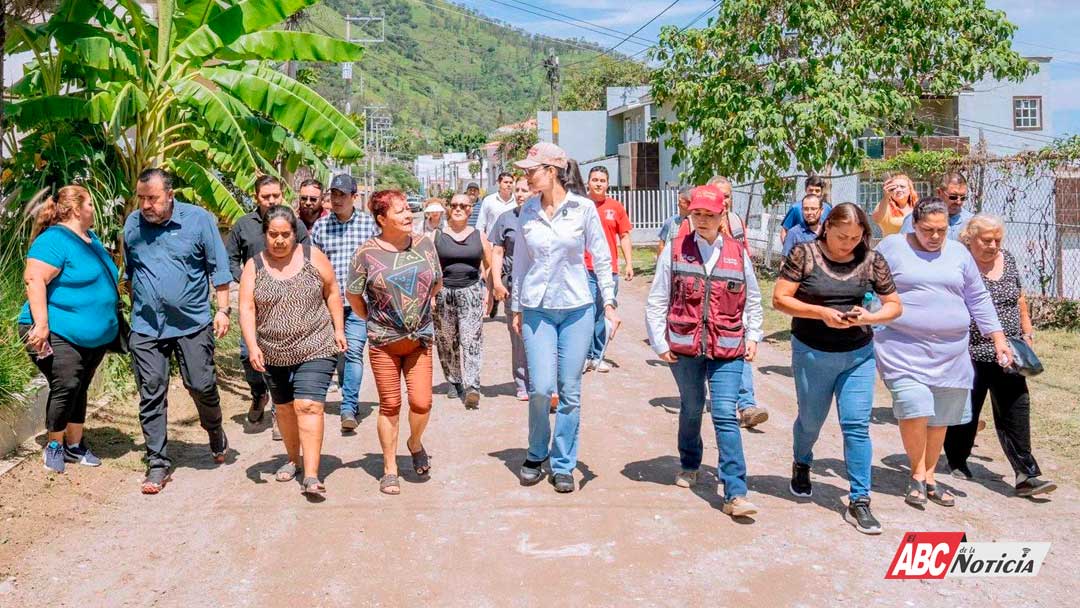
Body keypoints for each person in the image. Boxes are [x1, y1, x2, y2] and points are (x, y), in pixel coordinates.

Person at [772, 203, 903, 534]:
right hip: (812, 352)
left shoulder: (871, 259)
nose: (849, 243)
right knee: (811, 421)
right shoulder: (804, 253)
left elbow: (894, 306)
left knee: (856, 425)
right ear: (827, 227)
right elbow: (780, 299)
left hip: (858, 353)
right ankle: (802, 461)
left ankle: (860, 500)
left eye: (856, 237)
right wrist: (822, 313)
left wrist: (871, 317)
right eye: (843, 236)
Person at [874, 197, 1011, 509]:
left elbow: (978, 298)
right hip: (901, 347)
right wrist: (870, 321)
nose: (935, 236)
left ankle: (930, 476)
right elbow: (872, 286)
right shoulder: (893, 247)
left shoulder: (959, 253)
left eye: (941, 230)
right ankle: (917, 474)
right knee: (914, 406)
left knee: (939, 418)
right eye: (927, 230)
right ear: (914, 225)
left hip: (951, 353)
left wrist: (998, 338)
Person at [645, 184, 763, 519]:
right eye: (697, 213)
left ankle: (735, 491)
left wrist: (753, 335)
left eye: (709, 214)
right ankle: (689, 462)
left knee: (725, 413)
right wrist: (660, 341)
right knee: (693, 407)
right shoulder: (675, 249)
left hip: (728, 347)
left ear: (722, 214)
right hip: (685, 347)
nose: (702, 220)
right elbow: (657, 298)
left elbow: (752, 299)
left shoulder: (738, 253)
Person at [510, 143, 621, 493]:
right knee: (541, 387)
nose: (527, 176)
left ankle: (563, 463)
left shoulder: (583, 209)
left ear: (553, 171)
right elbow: (522, 263)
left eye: (532, 170)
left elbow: (601, 257)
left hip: (577, 308)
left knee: (570, 392)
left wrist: (610, 304)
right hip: (537, 308)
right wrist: (515, 308)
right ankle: (536, 450)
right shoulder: (527, 210)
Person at [124, 168, 232, 494]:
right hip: (146, 326)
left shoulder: (198, 221)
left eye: (152, 198)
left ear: (170, 195)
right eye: (141, 198)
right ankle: (157, 463)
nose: (146, 205)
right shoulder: (132, 224)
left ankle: (214, 429)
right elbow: (131, 273)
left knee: (200, 384)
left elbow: (219, 270)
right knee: (151, 391)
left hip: (192, 323)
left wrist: (223, 310)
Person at [944, 215, 1056, 497]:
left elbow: (1019, 298)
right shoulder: (959, 261)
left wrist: (1027, 332)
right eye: (986, 240)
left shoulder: (1008, 260)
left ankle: (1026, 474)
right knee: (966, 411)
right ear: (970, 238)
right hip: (969, 351)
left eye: (997, 240)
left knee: (1016, 408)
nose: (993, 245)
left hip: (1008, 352)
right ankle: (956, 460)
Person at [239, 206, 346, 496]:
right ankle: (292, 458)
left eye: (285, 234)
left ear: (295, 235)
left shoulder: (313, 257)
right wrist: (252, 346)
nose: (279, 240)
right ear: (265, 234)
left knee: (308, 405)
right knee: (284, 409)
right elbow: (247, 308)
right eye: (273, 234)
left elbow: (333, 290)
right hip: (273, 351)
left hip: (315, 344)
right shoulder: (255, 266)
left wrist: (338, 329)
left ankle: (311, 474)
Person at [346, 190, 441, 496]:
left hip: (420, 341)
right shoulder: (365, 253)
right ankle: (389, 468)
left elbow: (436, 280)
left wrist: (421, 309)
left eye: (408, 210)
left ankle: (414, 442)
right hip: (384, 343)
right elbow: (353, 294)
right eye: (399, 212)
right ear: (381, 218)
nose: (408, 215)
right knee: (390, 405)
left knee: (422, 402)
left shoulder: (426, 244)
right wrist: (376, 320)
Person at [18, 185, 118, 473]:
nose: (93, 209)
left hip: (92, 336)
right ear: (76, 209)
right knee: (67, 383)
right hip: (54, 329)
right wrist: (42, 325)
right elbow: (34, 280)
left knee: (80, 384)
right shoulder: (54, 240)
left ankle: (74, 446)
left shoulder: (91, 239)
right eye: (89, 204)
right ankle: (54, 446)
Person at [226, 175, 310, 430]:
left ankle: (279, 413)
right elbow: (230, 259)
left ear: (282, 194)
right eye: (266, 196)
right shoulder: (243, 226)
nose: (271, 200)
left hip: (287, 304)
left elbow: (308, 257)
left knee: (282, 359)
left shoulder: (296, 225)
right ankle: (258, 392)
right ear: (256, 198)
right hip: (254, 304)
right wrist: (246, 281)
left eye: (276, 195)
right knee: (246, 354)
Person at [311, 174, 378, 433]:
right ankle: (315, 401)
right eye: (334, 194)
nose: (337, 200)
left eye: (342, 195)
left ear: (354, 197)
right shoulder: (320, 227)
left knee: (353, 352)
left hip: (359, 303)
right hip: (327, 303)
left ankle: (348, 406)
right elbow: (313, 264)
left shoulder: (368, 225)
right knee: (331, 354)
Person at [433, 193, 491, 408]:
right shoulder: (437, 235)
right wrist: (430, 294)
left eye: (463, 206)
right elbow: (430, 265)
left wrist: (488, 289)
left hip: (471, 291)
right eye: (454, 205)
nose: (458, 209)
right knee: (447, 339)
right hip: (443, 292)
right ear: (449, 208)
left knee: (471, 339)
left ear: (470, 209)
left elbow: (489, 262)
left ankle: (472, 385)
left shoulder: (479, 235)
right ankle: (454, 379)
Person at [583, 166, 633, 373]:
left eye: (602, 180)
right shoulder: (582, 205)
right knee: (585, 314)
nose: (598, 183)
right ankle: (583, 356)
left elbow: (624, 236)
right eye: (594, 179)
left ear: (608, 183)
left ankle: (597, 356)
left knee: (604, 315)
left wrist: (628, 263)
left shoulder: (616, 207)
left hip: (609, 270)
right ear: (588, 182)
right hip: (584, 268)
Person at [489, 176, 532, 401]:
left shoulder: (541, 217)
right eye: (517, 189)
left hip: (537, 285)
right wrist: (496, 282)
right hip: (512, 284)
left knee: (538, 333)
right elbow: (497, 252)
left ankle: (540, 380)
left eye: (525, 189)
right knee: (517, 335)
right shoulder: (506, 219)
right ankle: (521, 382)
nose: (520, 194)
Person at [899, 172, 973, 240]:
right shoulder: (917, 217)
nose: (958, 202)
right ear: (939, 192)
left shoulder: (971, 221)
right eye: (953, 197)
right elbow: (903, 247)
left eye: (963, 198)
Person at [779, 175, 832, 244]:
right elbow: (784, 231)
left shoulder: (827, 208)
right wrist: (788, 250)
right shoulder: (796, 208)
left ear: (821, 192)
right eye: (811, 190)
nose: (814, 193)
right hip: (800, 251)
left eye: (817, 191)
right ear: (806, 190)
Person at [476, 172, 517, 243]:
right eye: (506, 182)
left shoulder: (517, 201)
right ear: (499, 183)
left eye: (511, 182)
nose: (508, 185)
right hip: (492, 244)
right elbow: (481, 225)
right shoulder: (489, 200)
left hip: (512, 244)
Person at [656, 186, 691, 257]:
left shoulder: (699, 223)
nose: (678, 204)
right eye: (678, 201)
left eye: (681, 201)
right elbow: (662, 244)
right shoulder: (671, 222)